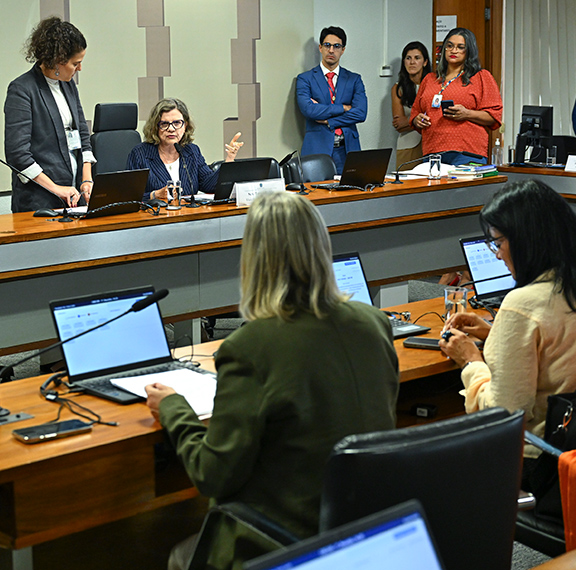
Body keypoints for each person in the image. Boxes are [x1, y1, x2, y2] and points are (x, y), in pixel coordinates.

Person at [145, 191, 399, 570]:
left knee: (179, 556)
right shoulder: (374, 323)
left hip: (285, 539)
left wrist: (173, 408)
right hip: (369, 527)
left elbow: (213, 476)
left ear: (254, 259)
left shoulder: (249, 346)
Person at [439, 179, 576, 467]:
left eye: (499, 242)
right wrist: (499, 334)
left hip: (545, 461)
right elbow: (568, 350)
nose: (497, 254)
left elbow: (502, 414)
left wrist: (470, 361)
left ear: (526, 241)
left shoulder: (523, 303)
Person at [4, 17, 95, 213]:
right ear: (58, 61)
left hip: (73, 197)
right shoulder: (22, 90)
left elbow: (83, 136)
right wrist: (56, 189)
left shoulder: (68, 84)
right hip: (39, 202)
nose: (80, 68)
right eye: (75, 63)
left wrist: (86, 179)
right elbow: (18, 155)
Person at [410, 27, 502, 165]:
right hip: (433, 151)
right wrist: (418, 120)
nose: (454, 51)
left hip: (466, 151)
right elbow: (415, 112)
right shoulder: (429, 79)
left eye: (460, 47)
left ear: (469, 51)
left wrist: (467, 114)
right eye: (450, 46)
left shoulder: (481, 77)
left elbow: (494, 116)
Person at [126, 98, 243, 202]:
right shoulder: (140, 154)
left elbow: (209, 185)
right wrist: (155, 194)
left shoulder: (191, 151)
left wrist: (230, 159)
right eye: (164, 124)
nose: (171, 129)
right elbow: (128, 197)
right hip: (154, 220)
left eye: (177, 123)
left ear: (185, 125)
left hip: (188, 219)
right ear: (155, 127)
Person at [296, 26, 367, 174]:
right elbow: (309, 110)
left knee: (352, 194)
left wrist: (330, 121)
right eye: (327, 45)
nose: (331, 50)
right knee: (317, 195)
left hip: (347, 149)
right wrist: (344, 108)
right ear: (320, 48)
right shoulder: (305, 79)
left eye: (337, 46)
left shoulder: (354, 79)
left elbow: (361, 113)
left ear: (343, 50)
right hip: (317, 149)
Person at [392, 41, 432, 166]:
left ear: (425, 62)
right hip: (408, 145)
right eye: (408, 58)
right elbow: (399, 124)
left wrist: (410, 121)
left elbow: (438, 117)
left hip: (432, 144)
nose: (412, 62)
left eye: (417, 58)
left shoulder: (434, 85)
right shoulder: (398, 88)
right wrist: (424, 118)